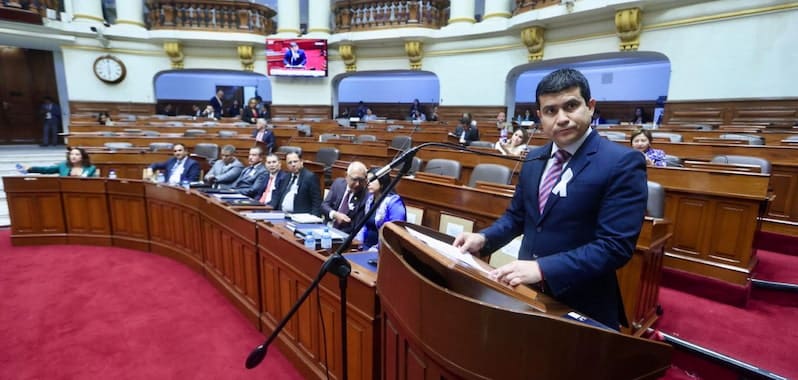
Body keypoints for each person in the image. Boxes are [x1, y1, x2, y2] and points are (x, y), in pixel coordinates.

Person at [453, 68, 648, 330]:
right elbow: (517, 217)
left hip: (582, 303)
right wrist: (485, 238)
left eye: (571, 106)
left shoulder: (621, 163)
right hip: (527, 293)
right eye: (551, 110)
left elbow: (614, 246)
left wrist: (543, 268)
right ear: (540, 117)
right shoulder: (535, 158)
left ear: (590, 107)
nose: (562, 118)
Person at [355, 167, 407, 251]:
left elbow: (395, 233)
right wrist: (358, 241)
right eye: (367, 180)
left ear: (382, 182)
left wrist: (376, 248)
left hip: (383, 250)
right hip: (364, 246)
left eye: (372, 180)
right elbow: (365, 225)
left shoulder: (394, 202)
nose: (368, 183)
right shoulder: (370, 199)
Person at [321, 161, 369, 233]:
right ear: (346, 176)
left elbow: (356, 226)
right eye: (355, 179)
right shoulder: (338, 184)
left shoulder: (365, 196)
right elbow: (324, 206)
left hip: (345, 234)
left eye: (361, 180)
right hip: (326, 228)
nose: (357, 184)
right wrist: (335, 214)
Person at [270, 151, 322, 216]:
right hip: (282, 214)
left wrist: (314, 219)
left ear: (301, 162)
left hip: (299, 217)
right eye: (290, 163)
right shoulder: (286, 176)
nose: (293, 165)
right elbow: (277, 196)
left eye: (295, 161)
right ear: (287, 165)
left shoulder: (309, 177)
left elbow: (317, 202)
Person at [23, 147, 97, 177]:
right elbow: (47, 170)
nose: (73, 156)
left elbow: (85, 178)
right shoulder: (63, 165)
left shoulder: (90, 168)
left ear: (83, 157)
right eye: (71, 154)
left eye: (77, 154)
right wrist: (31, 168)